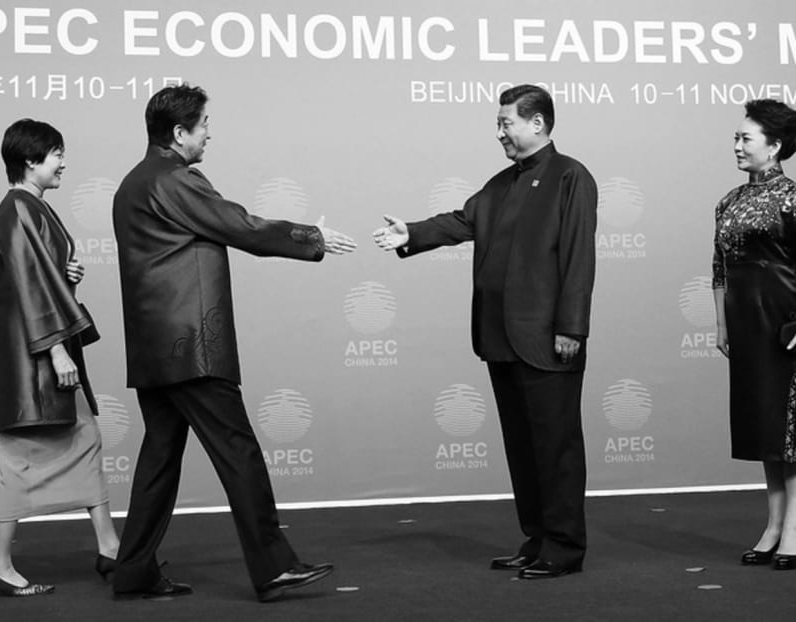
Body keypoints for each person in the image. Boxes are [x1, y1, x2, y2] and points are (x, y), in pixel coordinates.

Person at [111, 84, 355, 602]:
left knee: (158, 463)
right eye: (202, 125)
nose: (209, 133)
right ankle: (272, 567)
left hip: (154, 352)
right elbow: (241, 226)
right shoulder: (177, 179)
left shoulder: (131, 184)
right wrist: (311, 236)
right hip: (194, 348)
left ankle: (132, 572)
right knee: (238, 452)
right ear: (179, 133)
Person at [374, 84, 597, 579]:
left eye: (507, 123)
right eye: (498, 124)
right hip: (499, 339)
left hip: (548, 340)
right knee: (521, 446)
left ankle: (564, 548)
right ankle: (536, 538)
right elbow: (461, 220)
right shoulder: (499, 184)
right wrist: (411, 233)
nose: (499, 132)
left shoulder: (571, 177)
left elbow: (580, 258)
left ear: (537, 123)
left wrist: (571, 328)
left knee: (556, 447)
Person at [0, 119, 120, 597]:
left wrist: (69, 276)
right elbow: (28, 286)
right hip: (36, 355)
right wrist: (57, 349)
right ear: (30, 160)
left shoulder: (31, 208)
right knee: (20, 459)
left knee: (85, 440)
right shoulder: (16, 209)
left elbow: (46, 277)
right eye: (56, 154)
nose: (63, 163)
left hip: (43, 349)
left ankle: (110, 547)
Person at [713, 99, 796, 570]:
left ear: (776, 145)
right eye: (737, 138)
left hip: (785, 326)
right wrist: (723, 325)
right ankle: (772, 525)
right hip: (746, 328)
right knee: (765, 431)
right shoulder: (729, 201)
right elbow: (719, 269)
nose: (738, 146)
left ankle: (794, 532)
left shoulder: (792, 198)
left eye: (747, 138)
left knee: (791, 434)